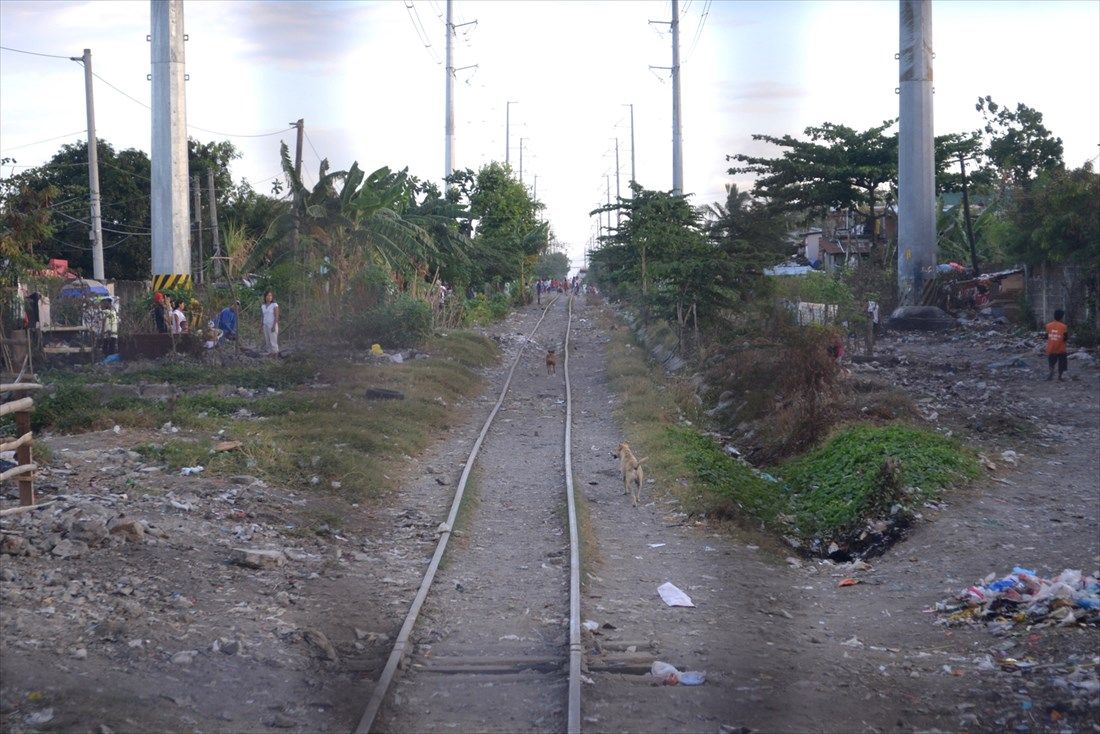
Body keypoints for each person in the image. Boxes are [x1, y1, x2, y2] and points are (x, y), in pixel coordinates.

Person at [1044, 309, 1069, 381]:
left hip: (1051, 347)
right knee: (1062, 362)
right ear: (1061, 317)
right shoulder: (1064, 326)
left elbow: (1046, 337)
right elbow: (1065, 338)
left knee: (1051, 361)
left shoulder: (1048, 325)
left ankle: (1051, 373)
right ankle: (1060, 376)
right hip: (1060, 348)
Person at [261, 289, 279, 355]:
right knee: (267, 340)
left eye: (271, 296)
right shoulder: (263, 306)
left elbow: (276, 316)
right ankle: (269, 354)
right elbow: (263, 316)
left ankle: (275, 354)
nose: (269, 297)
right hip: (265, 325)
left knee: (273, 341)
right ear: (265, 297)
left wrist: (274, 325)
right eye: (268, 296)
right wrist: (261, 326)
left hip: (272, 324)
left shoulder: (274, 305)